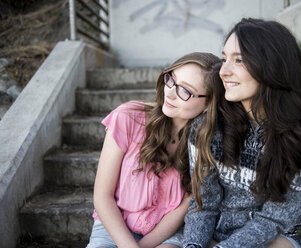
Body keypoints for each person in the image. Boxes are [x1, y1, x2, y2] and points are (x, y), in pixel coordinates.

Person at [183, 18, 301, 248]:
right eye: (224, 59)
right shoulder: (207, 128)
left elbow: (276, 219)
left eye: (239, 60)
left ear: (272, 66)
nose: (224, 71)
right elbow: (204, 205)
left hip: (281, 236)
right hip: (221, 234)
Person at [86, 52, 223, 248]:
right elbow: (102, 195)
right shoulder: (128, 118)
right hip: (114, 227)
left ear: (208, 104)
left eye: (185, 91)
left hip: (168, 233)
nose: (170, 93)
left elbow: (188, 203)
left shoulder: (207, 142)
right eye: (171, 80)